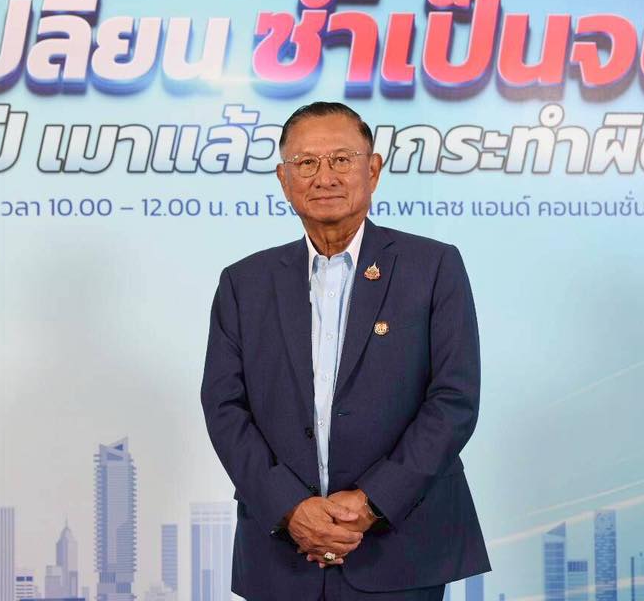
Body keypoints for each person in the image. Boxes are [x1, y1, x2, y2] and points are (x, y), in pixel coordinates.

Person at [201, 101, 490, 601]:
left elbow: (454, 400)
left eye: (341, 159)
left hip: (401, 549)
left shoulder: (433, 267)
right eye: (306, 163)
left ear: (372, 170)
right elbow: (224, 408)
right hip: (282, 555)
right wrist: (290, 507)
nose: (324, 176)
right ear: (284, 179)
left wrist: (373, 501)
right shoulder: (243, 283)